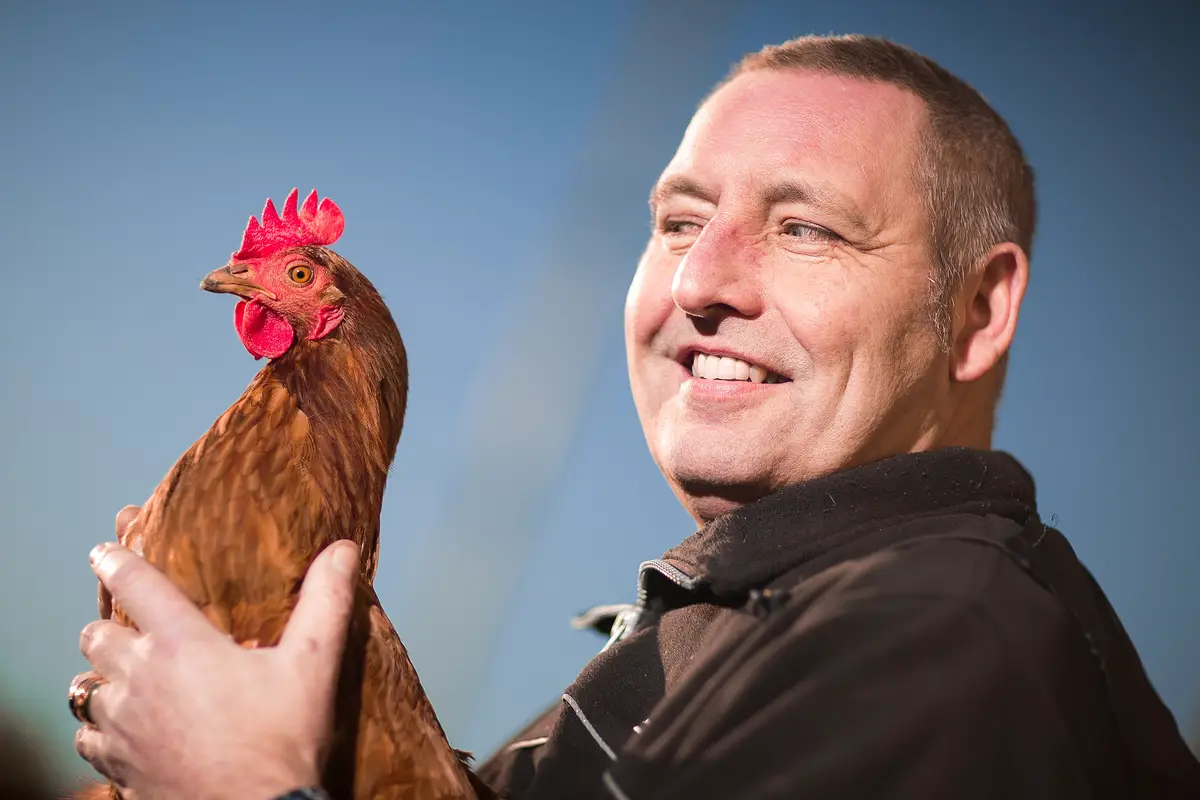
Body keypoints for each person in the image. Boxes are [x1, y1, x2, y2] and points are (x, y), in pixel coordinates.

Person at [70, 34, 1200, 799]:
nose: (701, 280)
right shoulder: (748, 617)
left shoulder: (939, 640)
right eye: (677, 221)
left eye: (804, 229)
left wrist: (244, 782)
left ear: (980, 306)